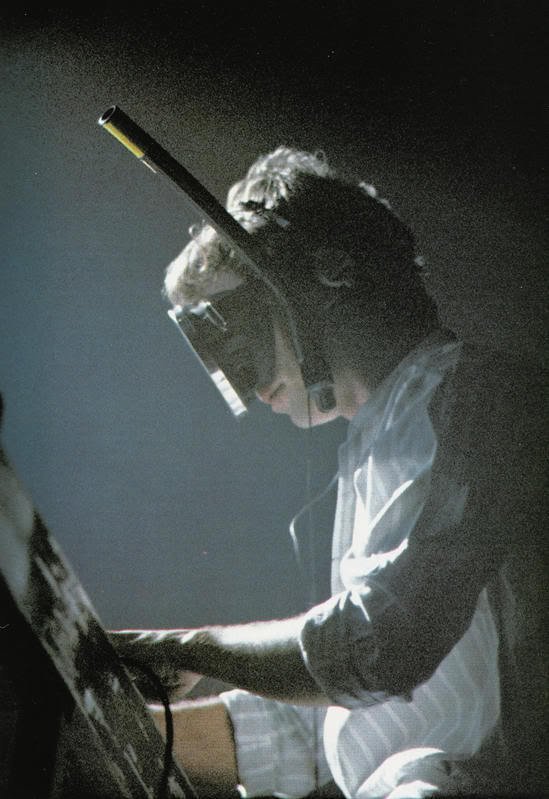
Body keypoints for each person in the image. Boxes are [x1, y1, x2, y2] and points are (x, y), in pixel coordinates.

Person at [111, 147, 547, 798]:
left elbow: (379, 645)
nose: (242, 378)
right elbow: (337, 720)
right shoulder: (378, 440)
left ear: (325, 274)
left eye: (235, 331)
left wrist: (194, 649)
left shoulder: (477, 398)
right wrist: (107, 714)